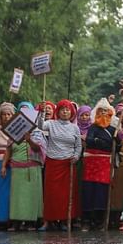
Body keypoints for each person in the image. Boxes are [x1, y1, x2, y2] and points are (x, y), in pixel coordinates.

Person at [39, 99, 82, 231]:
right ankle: (48, 221)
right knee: (51, 194)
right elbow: (40, 126)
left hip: (68, 164)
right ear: (58, 111)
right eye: (62, 109)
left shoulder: (75, 127)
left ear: (71, 112)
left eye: (67, 109)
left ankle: (64, 220)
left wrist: (76, 156)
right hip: (53, 162)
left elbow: (78, 145)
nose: (65, 112)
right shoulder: (51, 124)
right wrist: (42, 112)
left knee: (66, 195)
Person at [3, 103, 45, 231]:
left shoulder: (37, 131)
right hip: (16, 168)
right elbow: (8, 149)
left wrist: (29, 139)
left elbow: (38, 148)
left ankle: (30, 222)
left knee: (31, 196)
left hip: (32, 167)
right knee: (17, 197)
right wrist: (3, 166)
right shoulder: (13, 130)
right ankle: (16, 222)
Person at [81, 98, 118, 231]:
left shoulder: (114, 129)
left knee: (102, 192)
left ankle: (100, 220)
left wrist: (102, 142)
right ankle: (86, 220)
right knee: (88, 191)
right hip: (91, 163)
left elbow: (115, 146)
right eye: (100, 111)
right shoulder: (92, 127)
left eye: (105, 111)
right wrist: (102, 142)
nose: (103, 114)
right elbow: (89, 141)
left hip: (104, 164)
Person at [109, 102, 123, 230]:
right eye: (119, 114)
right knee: (114, 191)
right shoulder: (113, 128)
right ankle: (113, 217)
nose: (122, 117)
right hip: (115, 163)